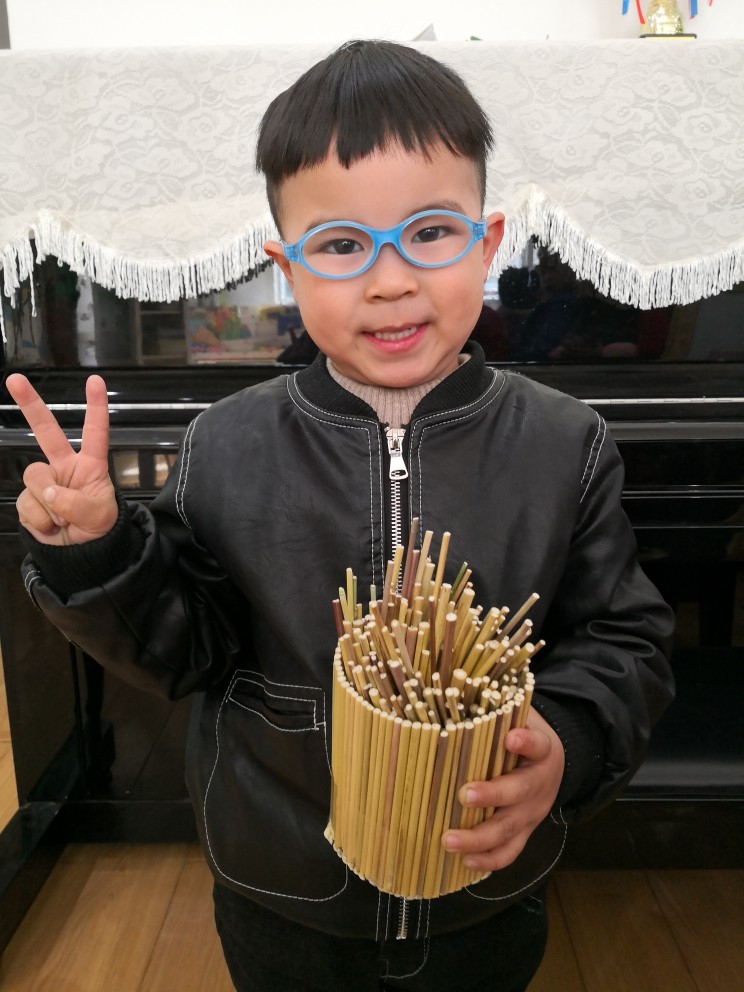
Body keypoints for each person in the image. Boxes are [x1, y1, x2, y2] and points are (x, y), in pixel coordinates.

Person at [5, 39, 675, 992]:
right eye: (342, 245)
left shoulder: (565, 444)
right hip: (282, 894)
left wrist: (568, 742)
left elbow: (624, 642)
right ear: (287, 267)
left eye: (430, 232)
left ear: (488, 244)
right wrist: (98, 553)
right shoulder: (225, 445)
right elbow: (181, 647)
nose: (390, 279)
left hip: (485, 894)